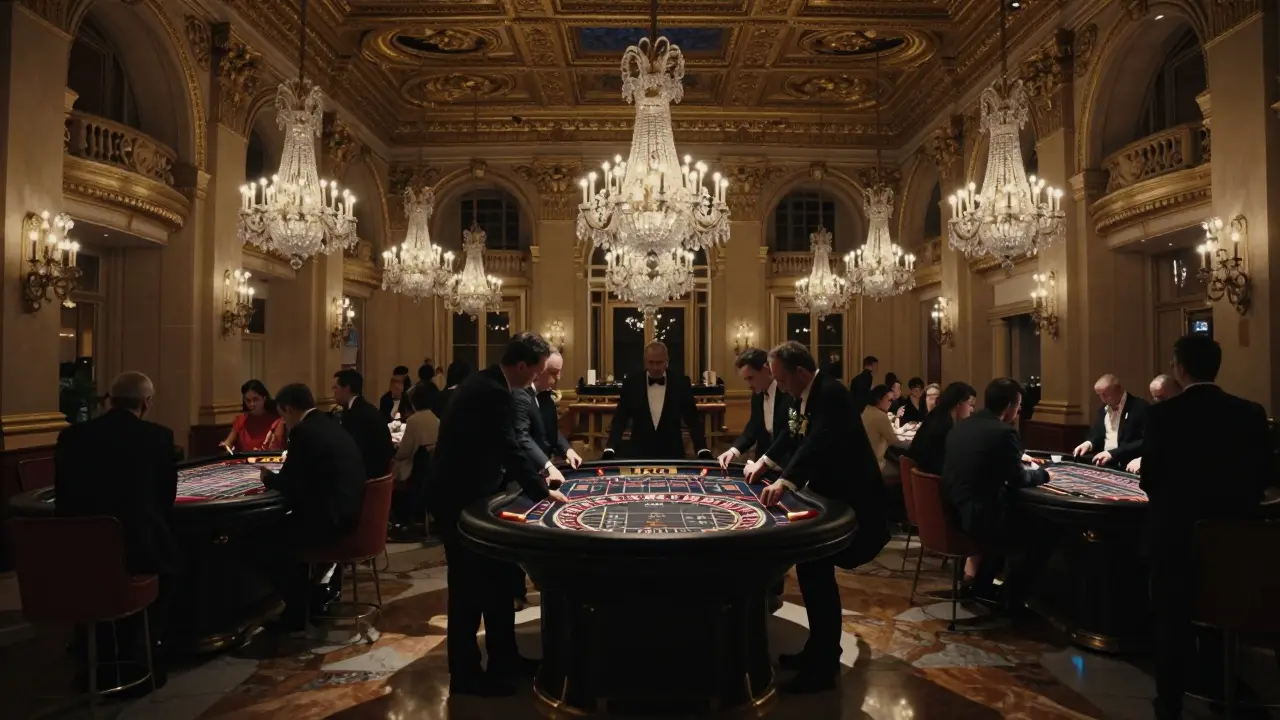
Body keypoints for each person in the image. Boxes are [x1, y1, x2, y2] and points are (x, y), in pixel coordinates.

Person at [427, 333, 568, 697]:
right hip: (459, 503)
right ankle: (466, 676)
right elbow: (510, 447)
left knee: (498, 582)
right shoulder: (492, 391)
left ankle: (505, 659)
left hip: (477, 497)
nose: (537, 378)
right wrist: (541, 492)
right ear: (521, 366)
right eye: (536, 371)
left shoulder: (489, 382)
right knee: (467, 593)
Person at [1142, 335, 1273, 720]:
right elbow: (1266, 473)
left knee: (1170, 623)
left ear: (1180, 368)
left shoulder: (1162, 415)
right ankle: (1222, 686)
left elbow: (1150, 480)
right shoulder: (1250, 412)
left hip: (1174, 539)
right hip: (1235, 538)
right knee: (1224, 613)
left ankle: (1169, 702)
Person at [746, 342, 887, 693]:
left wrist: (784, 481)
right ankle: (820, 650)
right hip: (831, 494)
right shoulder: (802, 393)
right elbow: (791, 437)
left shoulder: (832, 394)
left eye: (782, 379)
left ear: (801, 373)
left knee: (818, 574)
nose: (780, 386)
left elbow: (817, 443)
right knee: (812, 571)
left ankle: (823, 667)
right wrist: (766, 463)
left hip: (855, 501)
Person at [56, 372, 179, 689]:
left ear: (109, 400)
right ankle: (141, 654)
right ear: (146, 403)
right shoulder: (159, 437)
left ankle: (91, 652)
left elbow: (64, 497)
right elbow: (165, 499)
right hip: (138, 549)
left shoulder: (72, 437)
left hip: (77, 551)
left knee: (92, 582)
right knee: (175, 567)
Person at [260, 383, 368, 625]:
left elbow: (290, 483)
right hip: (349, 513)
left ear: (287, 409)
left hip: (331, 520)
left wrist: (267, 477)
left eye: (281, 415)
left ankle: (298, 609)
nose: (283, 422)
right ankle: (314, 595)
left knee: (263, 540)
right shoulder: (327, 423)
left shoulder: (304, 432)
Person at [942, 378, 1051, 606]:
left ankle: (982, 587)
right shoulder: (1003, 432)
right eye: (1019, 405)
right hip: (979, 517)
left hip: (951, 511)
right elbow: (1018, 478)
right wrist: (1044, 475)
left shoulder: (961, 426)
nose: (1019, 410)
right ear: (1011, 406)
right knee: (1042, 531)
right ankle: (1012, 600)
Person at [603, 341, 712, 460]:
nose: (655, 367)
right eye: (651, 362)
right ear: (645, 361)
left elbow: (693, 419)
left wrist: (702, 448)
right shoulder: (632, 383)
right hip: (639, 453)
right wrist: (610, 448)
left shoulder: (680, 382)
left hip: (672, 453)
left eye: (659, 362)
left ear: (667, 361)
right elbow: (620, 419)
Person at [718, 348, 792, 472]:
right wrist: (733, 451)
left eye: (751, 378)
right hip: (763, 463)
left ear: (766, 370)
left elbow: (788, 433)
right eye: (746, 380)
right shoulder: (758, 393)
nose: (749, 385)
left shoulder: (788, 391)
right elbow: (754, 425)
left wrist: (764, 463)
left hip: (786, 466)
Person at [1072, 374, 1149, 468]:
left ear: (1119, 390)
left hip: (1128, 465)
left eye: (1105, 395)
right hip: (1105, 464)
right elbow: (1097, 435)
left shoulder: (1140, 407)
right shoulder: (1103, 409)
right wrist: (1089, 444)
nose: (1102, 399)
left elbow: (1145, 440)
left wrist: (1113, 453)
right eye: (1099, 395)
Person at [333, 369, 395, 479]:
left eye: (335, 387)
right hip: (381, 473)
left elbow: (351, 451)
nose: (333, 391)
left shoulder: (356, 414)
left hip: (368, 476)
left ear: (346, 388)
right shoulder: (365, 408)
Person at [908, 382, 977, 475]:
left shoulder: (936, 414)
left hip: (921, 477)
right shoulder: (945, 426)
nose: (972, 410)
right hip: (933, 481)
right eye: (970, 404)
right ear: (959, 403)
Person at [533, 352, 583, 471]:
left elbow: (552, 432)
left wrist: (567, 450)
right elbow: (523, 439)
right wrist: (547, 466)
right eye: (554, 372)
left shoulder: (546, 397)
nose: (559, 378)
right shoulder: (519, 395)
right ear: (538, 369)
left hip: (544, 466)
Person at [1124, 374, 1183, 473]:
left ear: (1178, 393)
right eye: (1154, 398)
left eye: (1161, 398)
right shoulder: (1157, 414)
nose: (1157, 402)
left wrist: (1147, 460)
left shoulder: (1189, 414)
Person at [220, 379, 285, 453]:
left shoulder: (276, 420)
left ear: (264, 398)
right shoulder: (241, 419)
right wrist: (225, 446)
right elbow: (228, 442)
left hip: (268, 461)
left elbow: (275, 447)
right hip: (245, 461)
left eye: (255, 399)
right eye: (248, 400)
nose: (252, 404)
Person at [861, 384, 901, 478]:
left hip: (863, 462)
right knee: (904, 470)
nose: (891, 403)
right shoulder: (880, 416)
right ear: (879, 399)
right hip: (876, 465)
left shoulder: (867, 409)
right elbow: (894, 442)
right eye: (889, 400)